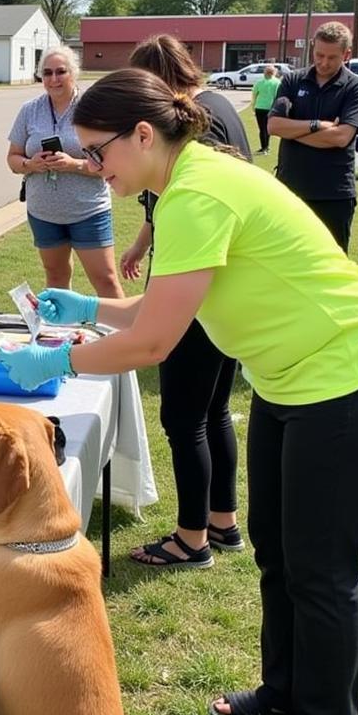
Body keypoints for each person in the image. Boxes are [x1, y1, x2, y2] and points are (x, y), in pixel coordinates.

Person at [0, 68, 358, 715]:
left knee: (321, 566)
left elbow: (154, 344)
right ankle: (286, 692)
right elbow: (156, 310)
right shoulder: (186, 182)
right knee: (276, 549)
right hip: (292, 378)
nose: (95, 168)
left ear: (145, 135)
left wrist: (62, 366)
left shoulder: (197, 194)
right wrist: (85, 309)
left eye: (100, 152)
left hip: (348, 375)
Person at [121, 34, 251, 568]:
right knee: (214, 409)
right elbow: (163, 202)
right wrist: (141, 242)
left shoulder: (201, 120)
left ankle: (190, 539)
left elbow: (196, 208)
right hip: (216, 290)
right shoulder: (215, 107)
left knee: (182, 417)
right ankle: (223, 522)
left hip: (199, 289)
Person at [6, 45, 123, 297]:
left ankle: (124, 335)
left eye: (61, 72)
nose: (54, 79)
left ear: (74, 73)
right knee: (56, 277)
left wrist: (74, 164)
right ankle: (61, 335)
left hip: (88, 210)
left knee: (106, 280)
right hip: (43, 212)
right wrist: (31, 164)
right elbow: (13, 158)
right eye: (47, 73)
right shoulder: (30, 110)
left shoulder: (93, 109)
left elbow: (113, 163)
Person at [269, 21, 358, 253]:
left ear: (346, 54)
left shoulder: (355, 87)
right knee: (285, 261)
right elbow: (273, 126)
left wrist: (293, 131)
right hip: (290, 191)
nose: (323, 62)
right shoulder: (293, 80)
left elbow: (341, 138)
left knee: (332, 264)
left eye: (332, 57)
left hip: (333, 195)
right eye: (319, 54)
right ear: (313, 48)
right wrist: (316, 126)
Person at [249, 63, 280, 155]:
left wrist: (253, 106)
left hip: (259, 107)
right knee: (267, 128)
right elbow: (277, 96)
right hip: (270, 108)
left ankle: (264, 147)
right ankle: (266, 147)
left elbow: (254, 95)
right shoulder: (277, 82)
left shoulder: (259, 82)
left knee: (262, 129)